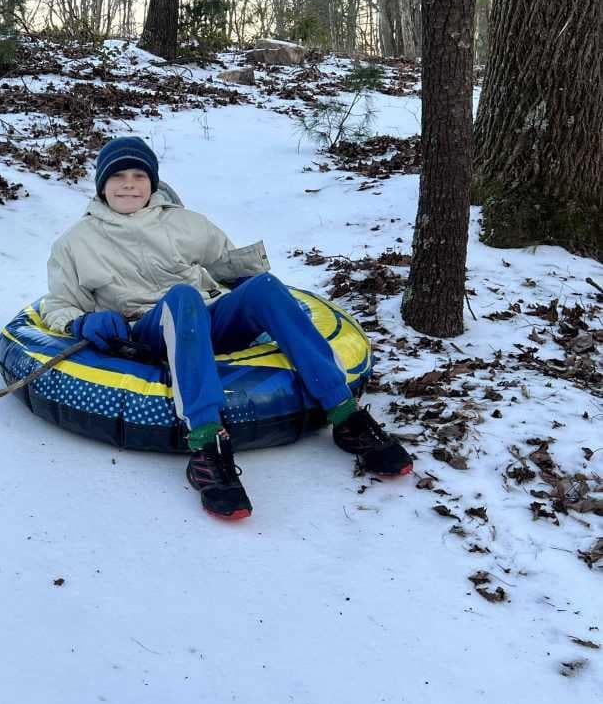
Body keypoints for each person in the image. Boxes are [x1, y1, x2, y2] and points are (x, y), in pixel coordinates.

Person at [41, 136, 411, 520]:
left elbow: (226, 266)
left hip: (208, 317)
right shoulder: (76, 242)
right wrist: (83, 321)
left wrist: (257, 296)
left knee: (264, 287)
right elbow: (57, 304)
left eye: (139, 175)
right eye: (118, 176)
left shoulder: (185, 222)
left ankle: (345, 413)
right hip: (149, 330)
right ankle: (206, 446)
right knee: (183, 296)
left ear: (152, 182)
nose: (129, 184)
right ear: (102, 184)